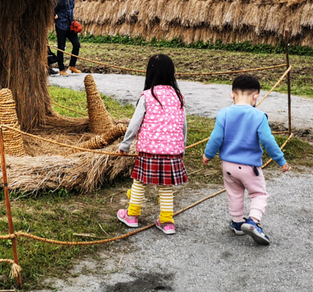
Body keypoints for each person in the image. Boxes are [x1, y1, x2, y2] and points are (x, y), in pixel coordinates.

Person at [202, 74, 290, 245]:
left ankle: (237, 222)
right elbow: (268, 141)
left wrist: (208, 155)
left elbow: (216, 138)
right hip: (250, 167)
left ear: (232, 95)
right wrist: (281, 160)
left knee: (234, 193)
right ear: (256, 96)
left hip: (228, 165)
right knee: (259, 194)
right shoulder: (259, 116)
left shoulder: (223, 113)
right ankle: (253, 221)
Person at [117, 54, 187, 234]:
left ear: (150, 73)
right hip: (172, 152)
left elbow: (134, 124)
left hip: (149, 151)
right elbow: (183, 125)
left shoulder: (147, 96)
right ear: (171, 73)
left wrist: (125, 145)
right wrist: (182, 147)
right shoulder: (178, 96)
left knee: (139, 182)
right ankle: (167, 222)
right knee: (166, 186)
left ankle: (132, 215)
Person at [53, 0, 80, 76]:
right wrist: (54, 15)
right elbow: (52, 10)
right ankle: (61, 69)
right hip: (61, 25)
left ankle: (72, 65)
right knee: (61, 47)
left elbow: (71, 9)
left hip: (70, 25)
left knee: (77, 44)